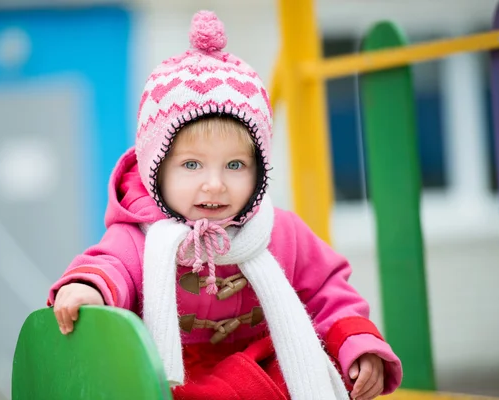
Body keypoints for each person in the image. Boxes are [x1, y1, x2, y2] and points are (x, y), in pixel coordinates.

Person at [48, 10, 402, 400]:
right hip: (175, 375)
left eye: (235, 165)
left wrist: (356, 346)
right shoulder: (140, 237)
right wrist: (89, 290)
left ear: (259, 170)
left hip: (262, 364)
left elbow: (327, 291)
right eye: (192, 164)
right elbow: (109, 267)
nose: (214, 184)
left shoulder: (276, 232)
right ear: (156, 169)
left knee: (314, 372)